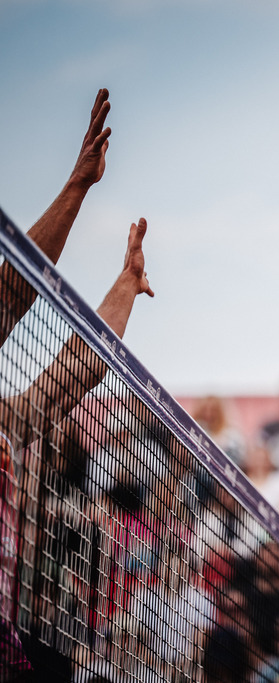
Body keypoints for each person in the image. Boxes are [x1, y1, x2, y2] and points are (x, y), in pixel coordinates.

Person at [0, 88, 155, 681]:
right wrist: (76, 187)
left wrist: (123, 289)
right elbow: (15, 291)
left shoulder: (8, 426)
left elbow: (71, 376)